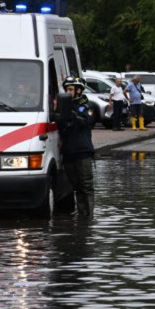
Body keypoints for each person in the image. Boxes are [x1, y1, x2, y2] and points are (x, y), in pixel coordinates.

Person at [58, 77, 95, 215]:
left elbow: (86, 121)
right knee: (76, 187)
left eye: (71, 89)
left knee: (86, 186)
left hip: (82, 152)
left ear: (79, 91)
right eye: (66, 89)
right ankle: (81, 214)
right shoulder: (63, 106)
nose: (67, 92)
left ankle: (89, 217)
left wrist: (71, 113)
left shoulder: (86, 106)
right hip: (68, 152)